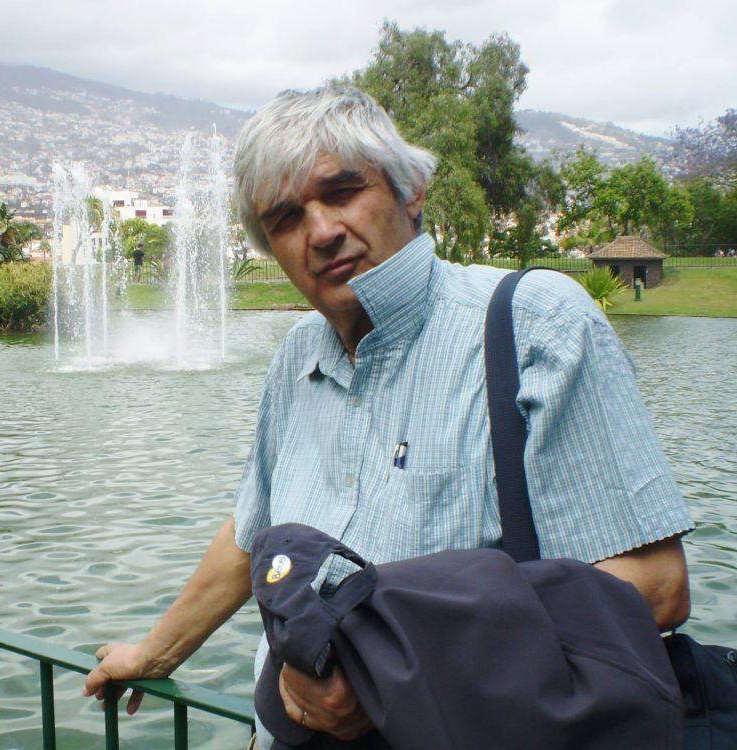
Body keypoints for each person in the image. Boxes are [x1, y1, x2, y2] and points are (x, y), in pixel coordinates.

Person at [83, 85, 692, 746]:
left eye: (343, 191)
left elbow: (654, 587)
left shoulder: (535, 324)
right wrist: (156, 654)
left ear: (411, 192)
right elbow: (251, 535)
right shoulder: (298, 357)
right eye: (285, 218)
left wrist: (389, 671)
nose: (321, 232)